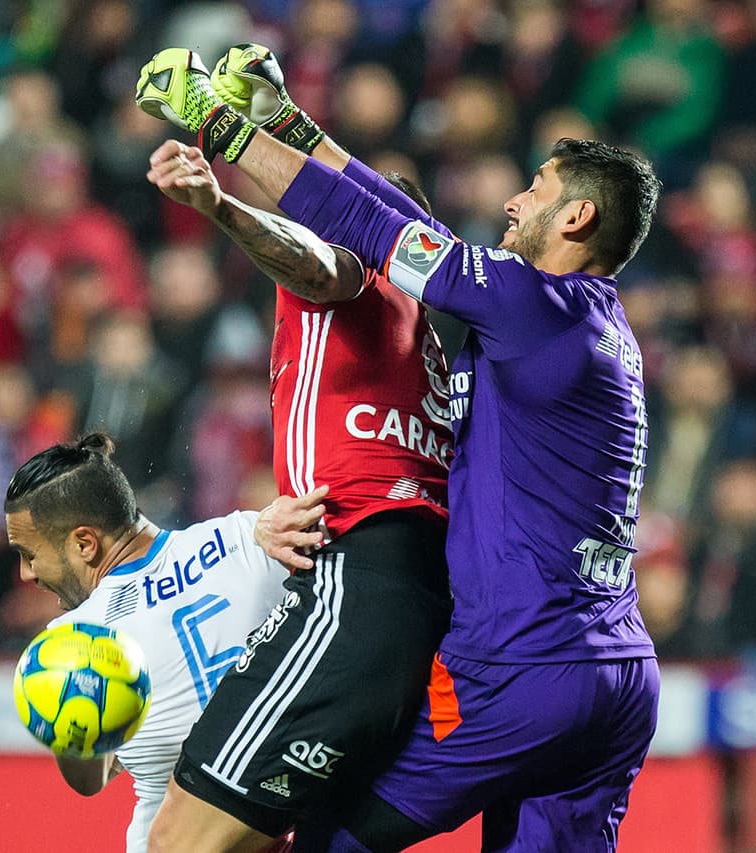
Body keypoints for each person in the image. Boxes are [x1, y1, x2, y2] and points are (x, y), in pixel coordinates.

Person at [137, 46, 662, 852]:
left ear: (576, 219)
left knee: (315, 834)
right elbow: (417, 231)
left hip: (520, 671)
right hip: (618, 677)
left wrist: (221, 126)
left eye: (535, 191)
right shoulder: (596, 328)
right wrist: (289, 122)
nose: (515, 203)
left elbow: (383, 234)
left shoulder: (534, 304)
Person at [138, 46, 458, 853]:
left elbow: (321, 266)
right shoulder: (427, 345)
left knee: (180, 836)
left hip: (354, 581)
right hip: (407, 598)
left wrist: (221, 205)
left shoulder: (370, 277)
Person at [3, 432, 291, 852]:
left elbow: (89, 781)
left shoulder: (77, 640)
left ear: (85, 543)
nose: (28, 573)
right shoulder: (251, 536)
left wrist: (67, 719)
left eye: (29, 553)